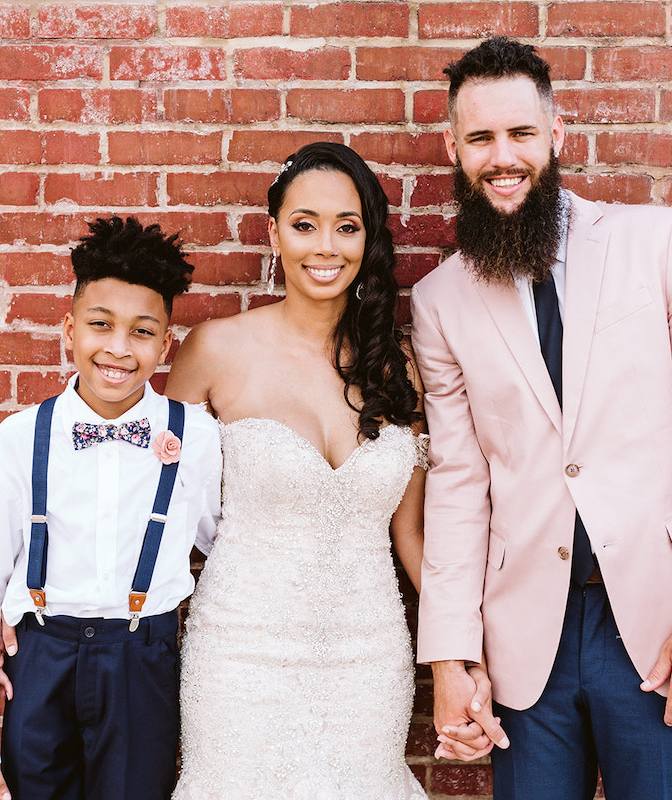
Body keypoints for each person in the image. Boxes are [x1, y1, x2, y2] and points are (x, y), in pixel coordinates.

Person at [410, 38, 672, 799]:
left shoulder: (662, 242)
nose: (502, 157)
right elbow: (457, 485)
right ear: (453, 147)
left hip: (661, 628)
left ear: (557, 133)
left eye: (520, 134)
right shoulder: (439, 302)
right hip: (524, 645)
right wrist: (450, 654)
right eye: (479, 139)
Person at [163, 141, 440, 798]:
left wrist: (476, 645)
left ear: (368, 239)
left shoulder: (400, 366)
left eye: (347, 226)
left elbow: (411, 540)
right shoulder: (214, 350)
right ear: (274, 233)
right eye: (305, 224)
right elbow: (156, 513)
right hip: (240, 655)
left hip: (368, 659)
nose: (326, 246)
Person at [0, 217, 223, 800]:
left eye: (142, 332)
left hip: (143, 659)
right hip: (40, 659)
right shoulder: (18, 440)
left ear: (165, 343)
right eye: (101, 325)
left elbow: (221, 545)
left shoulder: (195, 437)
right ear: (69, 331)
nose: (119, 349)